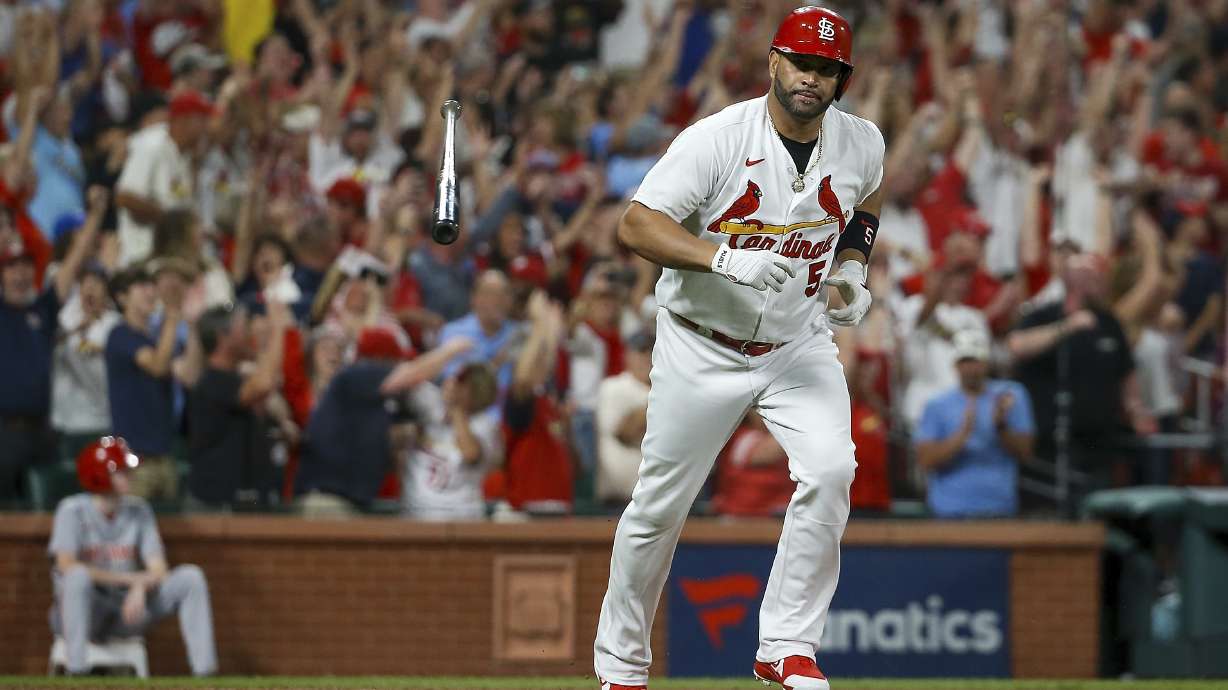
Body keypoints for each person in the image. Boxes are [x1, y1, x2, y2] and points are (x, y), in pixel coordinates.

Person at [594, 8, 884, 690]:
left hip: (796, 342)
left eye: (827, 69)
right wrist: (719, 257)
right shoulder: (719, 139)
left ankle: (783, 646)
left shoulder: (862, 141)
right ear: (774, 62)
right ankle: (621, 666)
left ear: (842, 78)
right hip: (702, 344)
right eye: (802, 63)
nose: (812, 78)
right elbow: (636, 224)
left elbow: (868, 199)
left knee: (831, 470)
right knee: (659, 508)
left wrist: (851, 268)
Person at [48, 436, 217, 676]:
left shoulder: (139, 510)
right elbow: (65, 564)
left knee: (191, 577)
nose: (129, 475)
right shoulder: (72, 510)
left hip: (126, 612)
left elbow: (159, 570)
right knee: (77, 577)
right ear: (99, 474)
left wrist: (141, 586)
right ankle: (77, 672)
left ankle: (205, 673)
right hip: (84, 613)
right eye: (121, 471)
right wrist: (132, 581)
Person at [294, 328, 472, 516]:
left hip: (347, 502)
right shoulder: (356, 375)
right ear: (381, 359)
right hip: (327, 501)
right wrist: (451, 350)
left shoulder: (365, 399)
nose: (398, 364)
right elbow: (412, 374)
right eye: (395, 361)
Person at [0, 184, 103, 501]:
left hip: (43, 432)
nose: (19, 275)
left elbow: (72, 263)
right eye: (11, 268)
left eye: (26, 267)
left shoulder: (42, 311)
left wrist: (96, 214)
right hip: (4, 433)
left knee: (51, 515)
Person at [104, 266, 202, 501]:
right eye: (141, 286)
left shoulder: (156, 340)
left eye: (151, 286)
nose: (150, 292)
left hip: (164, 456)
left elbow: (190, 374)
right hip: (134, 461)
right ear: (122, 297)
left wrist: (190, 323)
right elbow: (158, 366)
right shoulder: (120, 335)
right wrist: (171, 315)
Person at [914, 330, 1035, 518]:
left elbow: (1025, 452)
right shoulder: (937, 405)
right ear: (955, 364)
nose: (971, 368)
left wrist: (1001, 426)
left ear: (986, 362)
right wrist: (962, 434)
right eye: (965, 361)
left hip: (1000, 508)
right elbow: (925, 461)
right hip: (949, 510)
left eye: (975, 360)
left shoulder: (1010, 395)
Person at [186, 302, 288, 510]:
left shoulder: (235, 379)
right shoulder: (213, 382)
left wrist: (262, 346)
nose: (249, 332)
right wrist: (277, 328)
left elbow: (269, 382)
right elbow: (264, 384)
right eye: (243, 327)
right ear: (223, 337)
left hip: (240, 500)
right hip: (212, 505)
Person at [114, 90, 213, 267]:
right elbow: (125, 197)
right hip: (140, 256)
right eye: (202, 120)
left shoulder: (185, 156)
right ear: (183, 120)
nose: (207, 127)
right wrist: (171, 222)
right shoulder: (152, 145)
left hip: (168, 259)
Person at [402, 362, 502, 521]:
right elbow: (403, 377)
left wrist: (456, 408)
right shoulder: (430, 404)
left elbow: (470, 453)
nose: (452, 384)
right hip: (417, 518)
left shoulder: (484, 424)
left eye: (461, 383)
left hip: (462, 521)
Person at [594, 330, 653, 506]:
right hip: (617, 500)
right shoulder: (613, 387)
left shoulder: (665, 392)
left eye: (652, 351)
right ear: (626, 355)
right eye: (641, 351)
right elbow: (625, 432)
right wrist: (663, 399)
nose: (647, 358)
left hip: (654, 500)